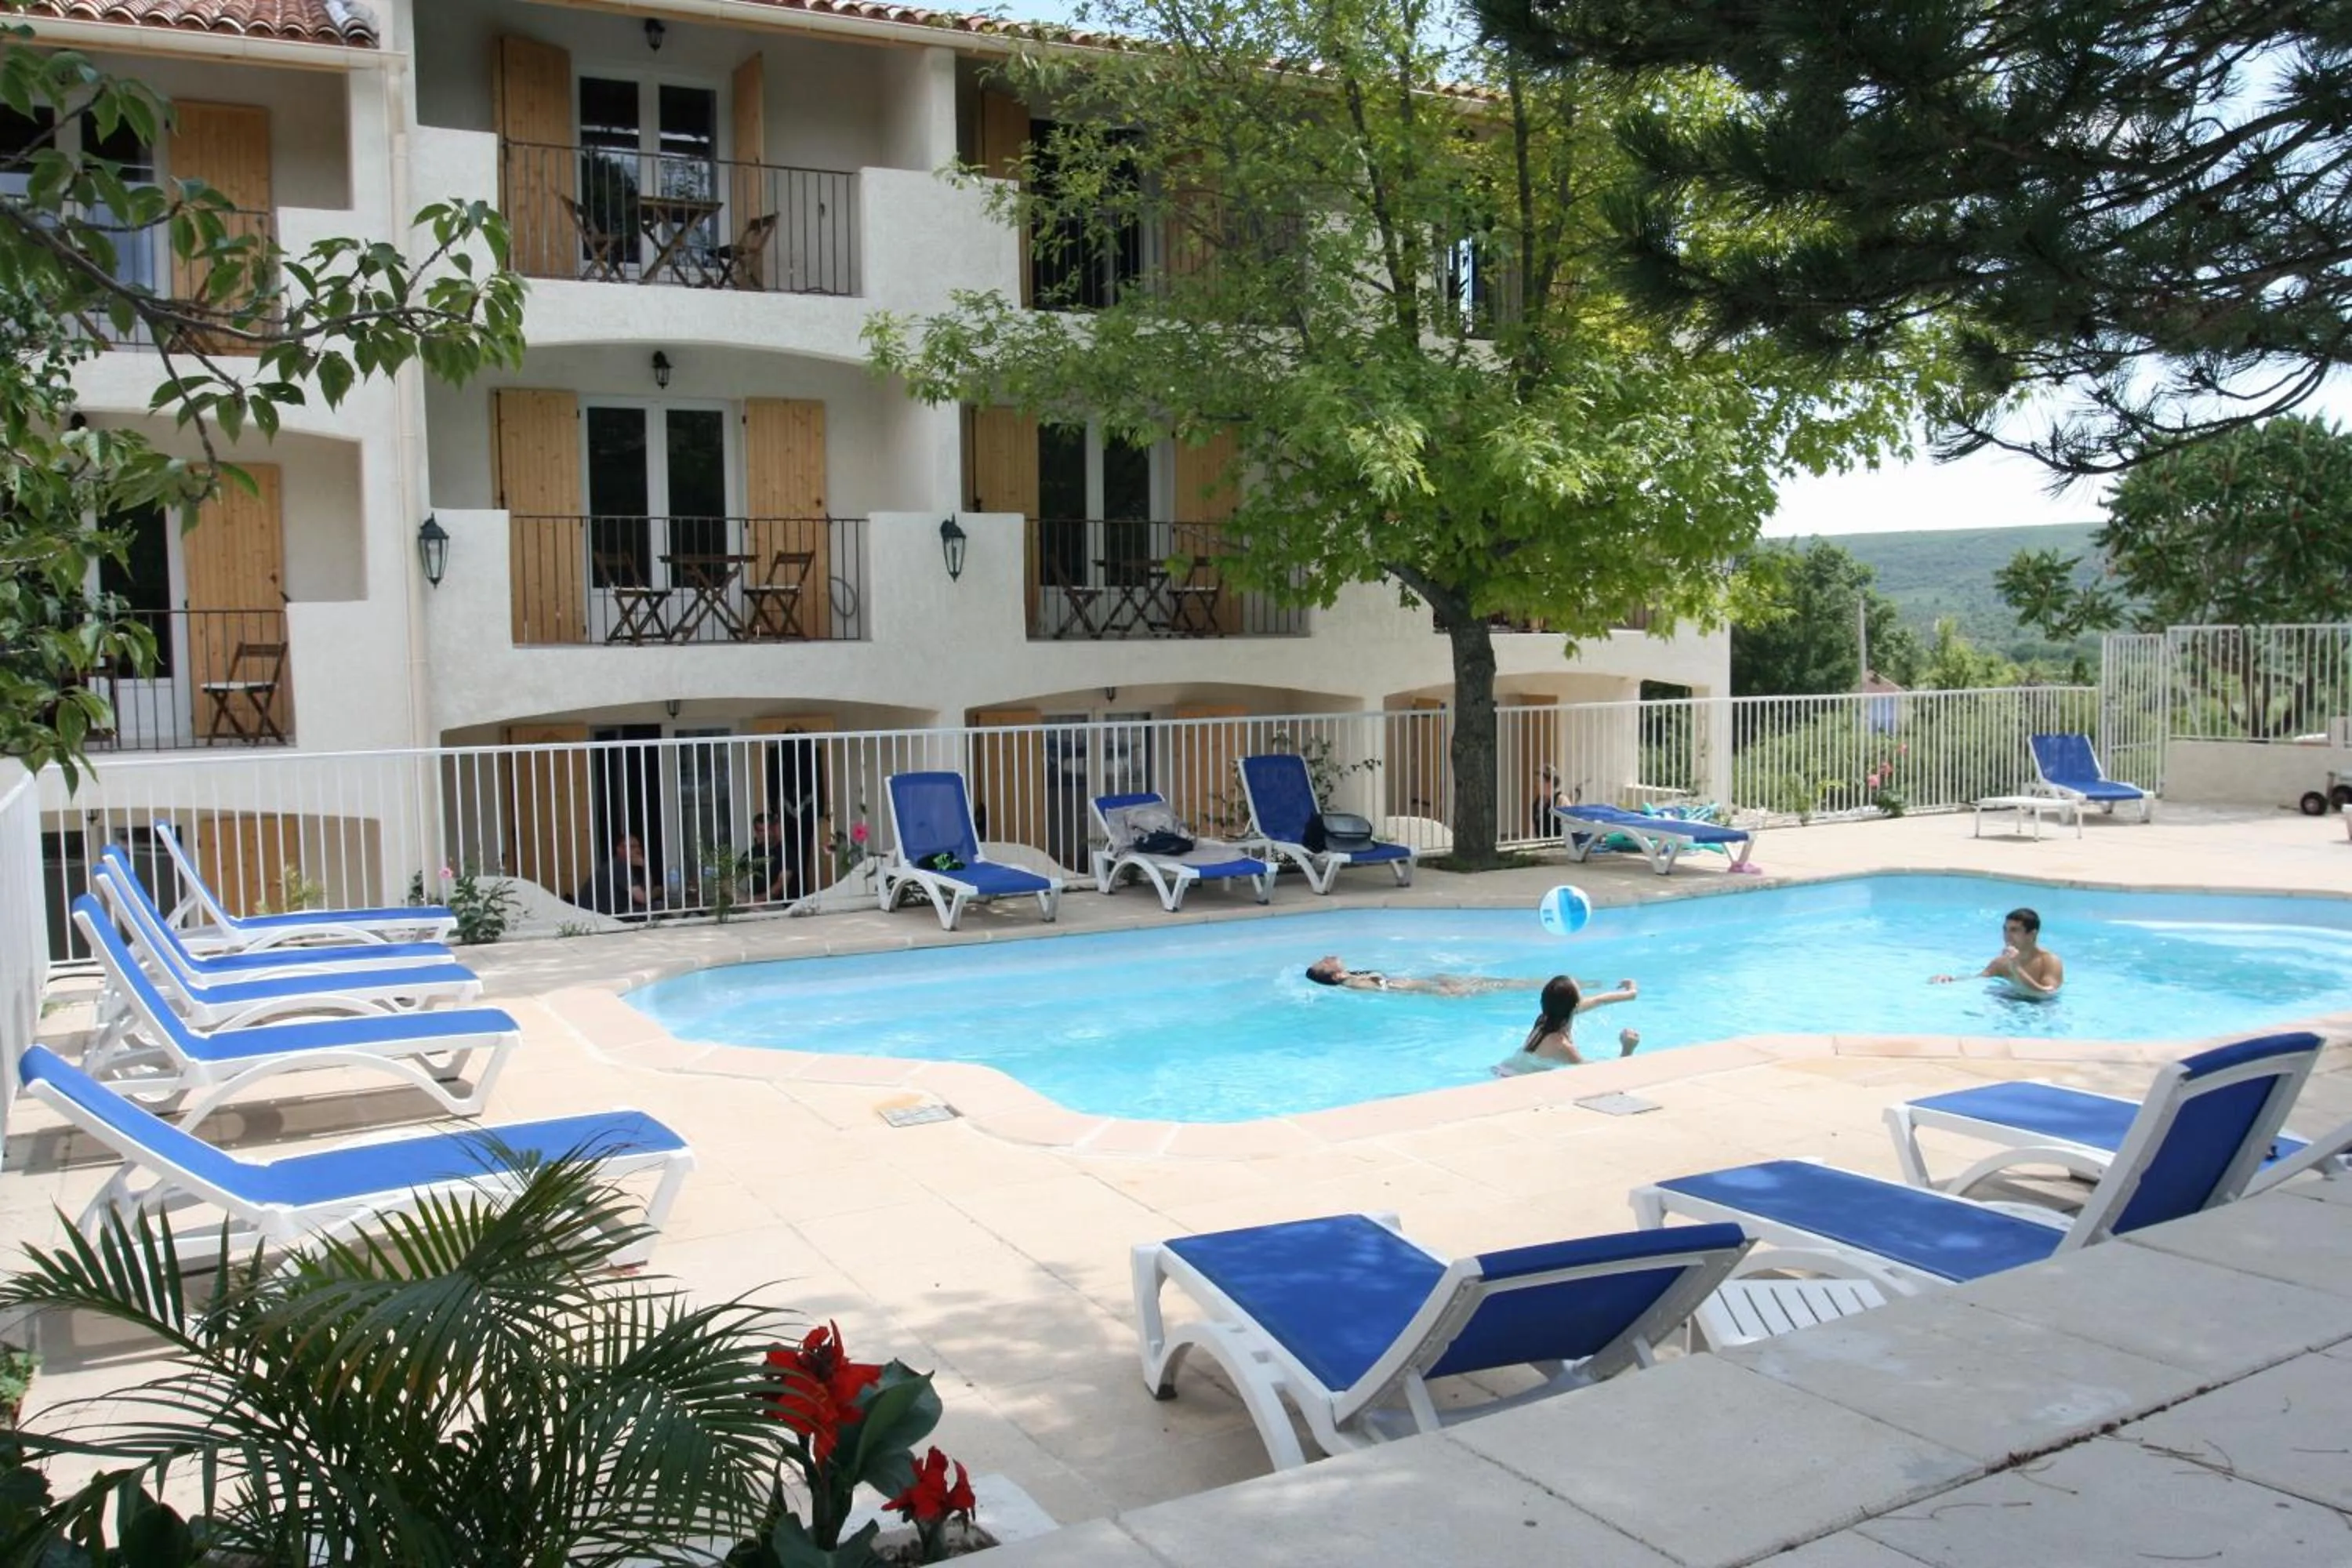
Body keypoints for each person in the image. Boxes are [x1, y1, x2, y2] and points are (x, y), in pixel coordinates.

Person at [1494, 975, 1642, 1074]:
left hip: (1505, 1070)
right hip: (1515, 1081)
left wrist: (1631, 992)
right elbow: (1598, 1076)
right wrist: (1627, 1048)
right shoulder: (1562, 1046)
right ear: (1575, 1004)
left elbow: (1599, 1000)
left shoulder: (1546, 1018)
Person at [1932, 906, 2064, 998]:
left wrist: (2016, 967)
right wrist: (1951, 979)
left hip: (2040, 1009)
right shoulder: (2002, 962)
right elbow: (1979, 979)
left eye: (2014, 930)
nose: (2007, 935)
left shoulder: (2049, 961)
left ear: (2032, 934)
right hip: (2010, 1001)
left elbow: (2046, 994)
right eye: (2005, 929)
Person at [1304, 955, 1546, 996]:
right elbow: (1383, 988)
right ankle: (1542, 986)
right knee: (1493, 987)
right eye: (1325, 963)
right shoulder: (1352, 982)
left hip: (1429, 984)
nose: (1328, 956)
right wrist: (1435, 990)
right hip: (1428, 989)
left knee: (1496, 984)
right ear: (1334, 976)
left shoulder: (1352, 976)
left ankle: (1537, 985)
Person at [575, 833, 652, 919]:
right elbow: (643, 898)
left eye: (638, 847)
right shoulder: (619, 866)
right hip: (597, 918)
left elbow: (644, 893)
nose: (638, 850)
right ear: (619, 849)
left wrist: (645, 868)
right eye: (632, 847)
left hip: (598, 915)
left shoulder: (623, 866)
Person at [750, 813, 786, 901]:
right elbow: (734, 875)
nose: (767, 833)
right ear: (757, 832)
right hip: (754, 905)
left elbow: (780, 885)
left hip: (779, 905)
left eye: (769, 829)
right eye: (762, 830)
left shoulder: (785, 852)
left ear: (774, 829)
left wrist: (754, 899)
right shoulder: (753, 852)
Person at [1531, 764, 1573, 838]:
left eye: (1540, 781)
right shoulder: (1538, 802)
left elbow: (1570, 827)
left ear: (1550, 782)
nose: (1537, 785)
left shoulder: (1561, 801)